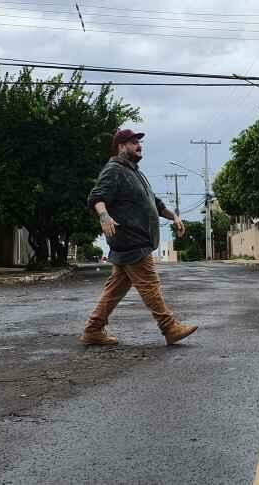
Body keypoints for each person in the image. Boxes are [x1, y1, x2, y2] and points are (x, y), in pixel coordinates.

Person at [81, 128, 198, 346]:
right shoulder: (114, 170)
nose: (139, 145)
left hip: (134, 241)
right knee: (150, 285)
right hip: (131, 240)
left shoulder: (135, 172)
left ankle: (93, 329)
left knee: (115, 289)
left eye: (139, 142)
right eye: (133, 142)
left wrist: (174, 217)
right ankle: (169, 327)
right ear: (121, 146)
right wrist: (104, 216)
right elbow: (97, 196)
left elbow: (155, 203)